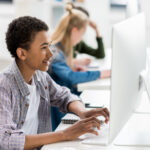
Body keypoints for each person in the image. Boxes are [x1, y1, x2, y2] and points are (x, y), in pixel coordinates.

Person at [0, 16, 109, 150]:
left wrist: (83, 112)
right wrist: (64, 134)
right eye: (44, 47)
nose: (51, 54)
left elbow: (64, 96)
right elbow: (6, 140)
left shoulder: (40, 76)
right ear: (22, 53)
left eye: (50, 45)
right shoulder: (4, 86)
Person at [48, 4, 111, 131]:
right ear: (74, 30)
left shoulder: (63, 49)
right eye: (82, 34)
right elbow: (71, 78)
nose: (81, 38)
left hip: (66, 103)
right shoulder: (55, 51)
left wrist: (72, 67)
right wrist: (100, 73)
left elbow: (66, 74)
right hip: (58, 112)